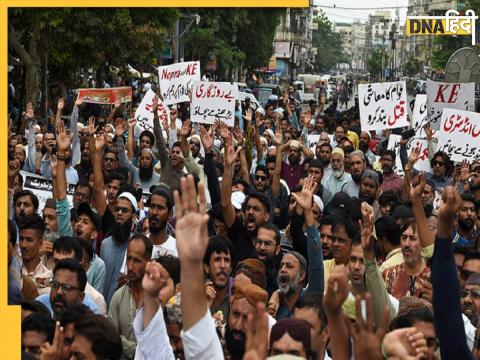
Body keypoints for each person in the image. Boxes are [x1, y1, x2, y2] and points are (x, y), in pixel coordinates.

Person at [109, 234, 152, 359]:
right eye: (129, 259)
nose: (130, 266)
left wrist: (121, 342)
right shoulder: (118, 296)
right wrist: (138, 350)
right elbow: (111, 339)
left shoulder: (157, 299)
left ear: (149, 263)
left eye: (137, 260)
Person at [100, 190, 138, 306]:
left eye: (125, 211)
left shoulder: (136, 245)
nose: (119, 213)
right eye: (117, 209)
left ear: (133, 216)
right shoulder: (105, 244)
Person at [19, 214, 52, 295]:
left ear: (40, 243)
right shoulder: (11, 270)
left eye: (29, 240)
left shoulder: (47, 277)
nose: (23, 245)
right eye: (21, 239)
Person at [203, 235, 234, 321]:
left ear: (231, 268)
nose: (223, 266)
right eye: (217, 260)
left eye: (227, 260)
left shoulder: (239, 293)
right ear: (207, 267)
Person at [147, 186, 178, 258]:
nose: (154, 212)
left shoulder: (177, 250)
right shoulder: (137, 244)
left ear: (170, 214)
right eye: (152, 206)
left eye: (160, 208)